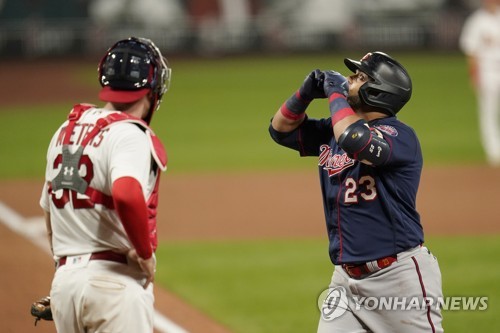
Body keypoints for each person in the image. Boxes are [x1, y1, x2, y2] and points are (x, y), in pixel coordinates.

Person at [269, 52, 444, 332]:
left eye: (360, 76)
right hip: (345, 280)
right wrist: (304, 93)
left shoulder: (399, 136)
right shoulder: (333, 131)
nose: (349, 79)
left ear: (378, 91)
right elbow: (280, 130)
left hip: (397, 278)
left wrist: (335, 94)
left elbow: (355, 141)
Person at [39, 37, 171, 332]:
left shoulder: (65, 131)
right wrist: (144, 253)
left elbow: (49, 211)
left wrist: (69, 274)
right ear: (153, 87)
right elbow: (126, 194)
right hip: (114, 288)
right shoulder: (130, 133)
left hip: (65, 285)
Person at [459, 0, 500, 166]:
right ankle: (494, 153)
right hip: (487, 71)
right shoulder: (476, 21)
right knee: (488, 113)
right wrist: (474, 74)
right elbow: (470, 50)